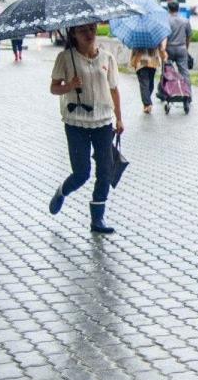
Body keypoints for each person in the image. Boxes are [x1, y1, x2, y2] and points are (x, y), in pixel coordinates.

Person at [47, 23, 124, 234]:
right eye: (83, 31)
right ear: (73, 33)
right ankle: (61, 192)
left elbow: (114, 89)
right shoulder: (65, 58)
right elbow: (54, 88)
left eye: (92, 29)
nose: (89, 34)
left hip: (103, 121)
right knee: (81, 173)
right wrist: (69, 86)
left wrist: (119, 118)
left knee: (105, 171)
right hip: (75, 123)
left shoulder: (107, 57)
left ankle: (97, 219)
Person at [131, 40, 167, 114]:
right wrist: (163, 55)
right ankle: (147, 102)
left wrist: (132, 61)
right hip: (152, 62)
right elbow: (160, 48)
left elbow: (134, 50)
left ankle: (147, 103)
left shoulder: (138, 36)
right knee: (150, 83)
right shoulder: (154, 36)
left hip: (142, 61)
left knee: (144, 84)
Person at [166, 1, 192, 81]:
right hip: (181, 48)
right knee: (184, 71)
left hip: (169, 49)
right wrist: (186, 48)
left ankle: (168, 90)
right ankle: (187, 91)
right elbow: (189, 36)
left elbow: (163, 36)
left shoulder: (166, 21)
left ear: (168, 9)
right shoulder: (185, 21)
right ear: (178, 9)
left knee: (167, 71)